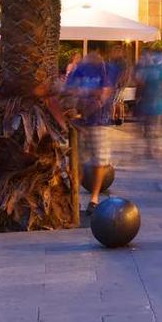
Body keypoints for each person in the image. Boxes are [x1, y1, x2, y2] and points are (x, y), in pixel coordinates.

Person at [66, 50, 113, 213]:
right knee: (78, 160)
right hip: (81, 121)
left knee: (99, 160)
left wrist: (86, 94)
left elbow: (105, 91)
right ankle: (75, 196)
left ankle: (94, 198)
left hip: (98, 121)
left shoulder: (102, 68)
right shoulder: (79, 70)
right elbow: (69, 90)